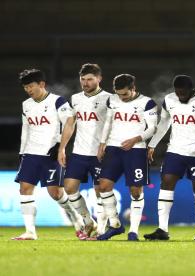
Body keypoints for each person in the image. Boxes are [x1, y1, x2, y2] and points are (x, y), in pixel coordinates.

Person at [143, 75, 195, 241]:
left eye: (183, 92)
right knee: (166, 182)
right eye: (178, 92)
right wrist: (152, 144)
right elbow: (164, 123)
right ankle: (162, 229)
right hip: (175, 151)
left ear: (192, 90)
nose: (180, 96)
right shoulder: (169, 99)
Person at [13, 69, 83, 240]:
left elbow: (70, 122)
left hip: (51, 154)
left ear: (41, 84)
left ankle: (77, 218)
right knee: (24, 189)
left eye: (31, 86)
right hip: (31, 153)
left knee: (56, 194)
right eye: (25, 87)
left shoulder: (57, 101)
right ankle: (30, 231)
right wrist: (22, 152)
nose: (28, 90)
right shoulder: (26, 105)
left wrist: (61, 147)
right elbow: (26, 129)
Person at [96, 74, 157, 241]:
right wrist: (102, 144)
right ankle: (115, 225)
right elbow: (108, 122)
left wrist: (135, 139)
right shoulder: (112, 100)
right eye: (118, 93)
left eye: (124, 94)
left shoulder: (147, 103)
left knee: (136, 191)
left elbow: (152, 128)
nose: (121, 97)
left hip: (136, 150)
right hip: (113, 148)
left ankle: (133, 232)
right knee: (103, 186)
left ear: (133, 89)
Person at [58, 63, 111, 239]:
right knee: (69, 187)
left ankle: (101, 229)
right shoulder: (75, 98)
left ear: (99, 79)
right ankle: (89, 221)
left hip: (100, 153)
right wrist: (62, 148)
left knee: (100, 191)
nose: (85, 83)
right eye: (83, 79)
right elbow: (70, 124)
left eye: (90, 79)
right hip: (79, 152)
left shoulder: (109, 99)